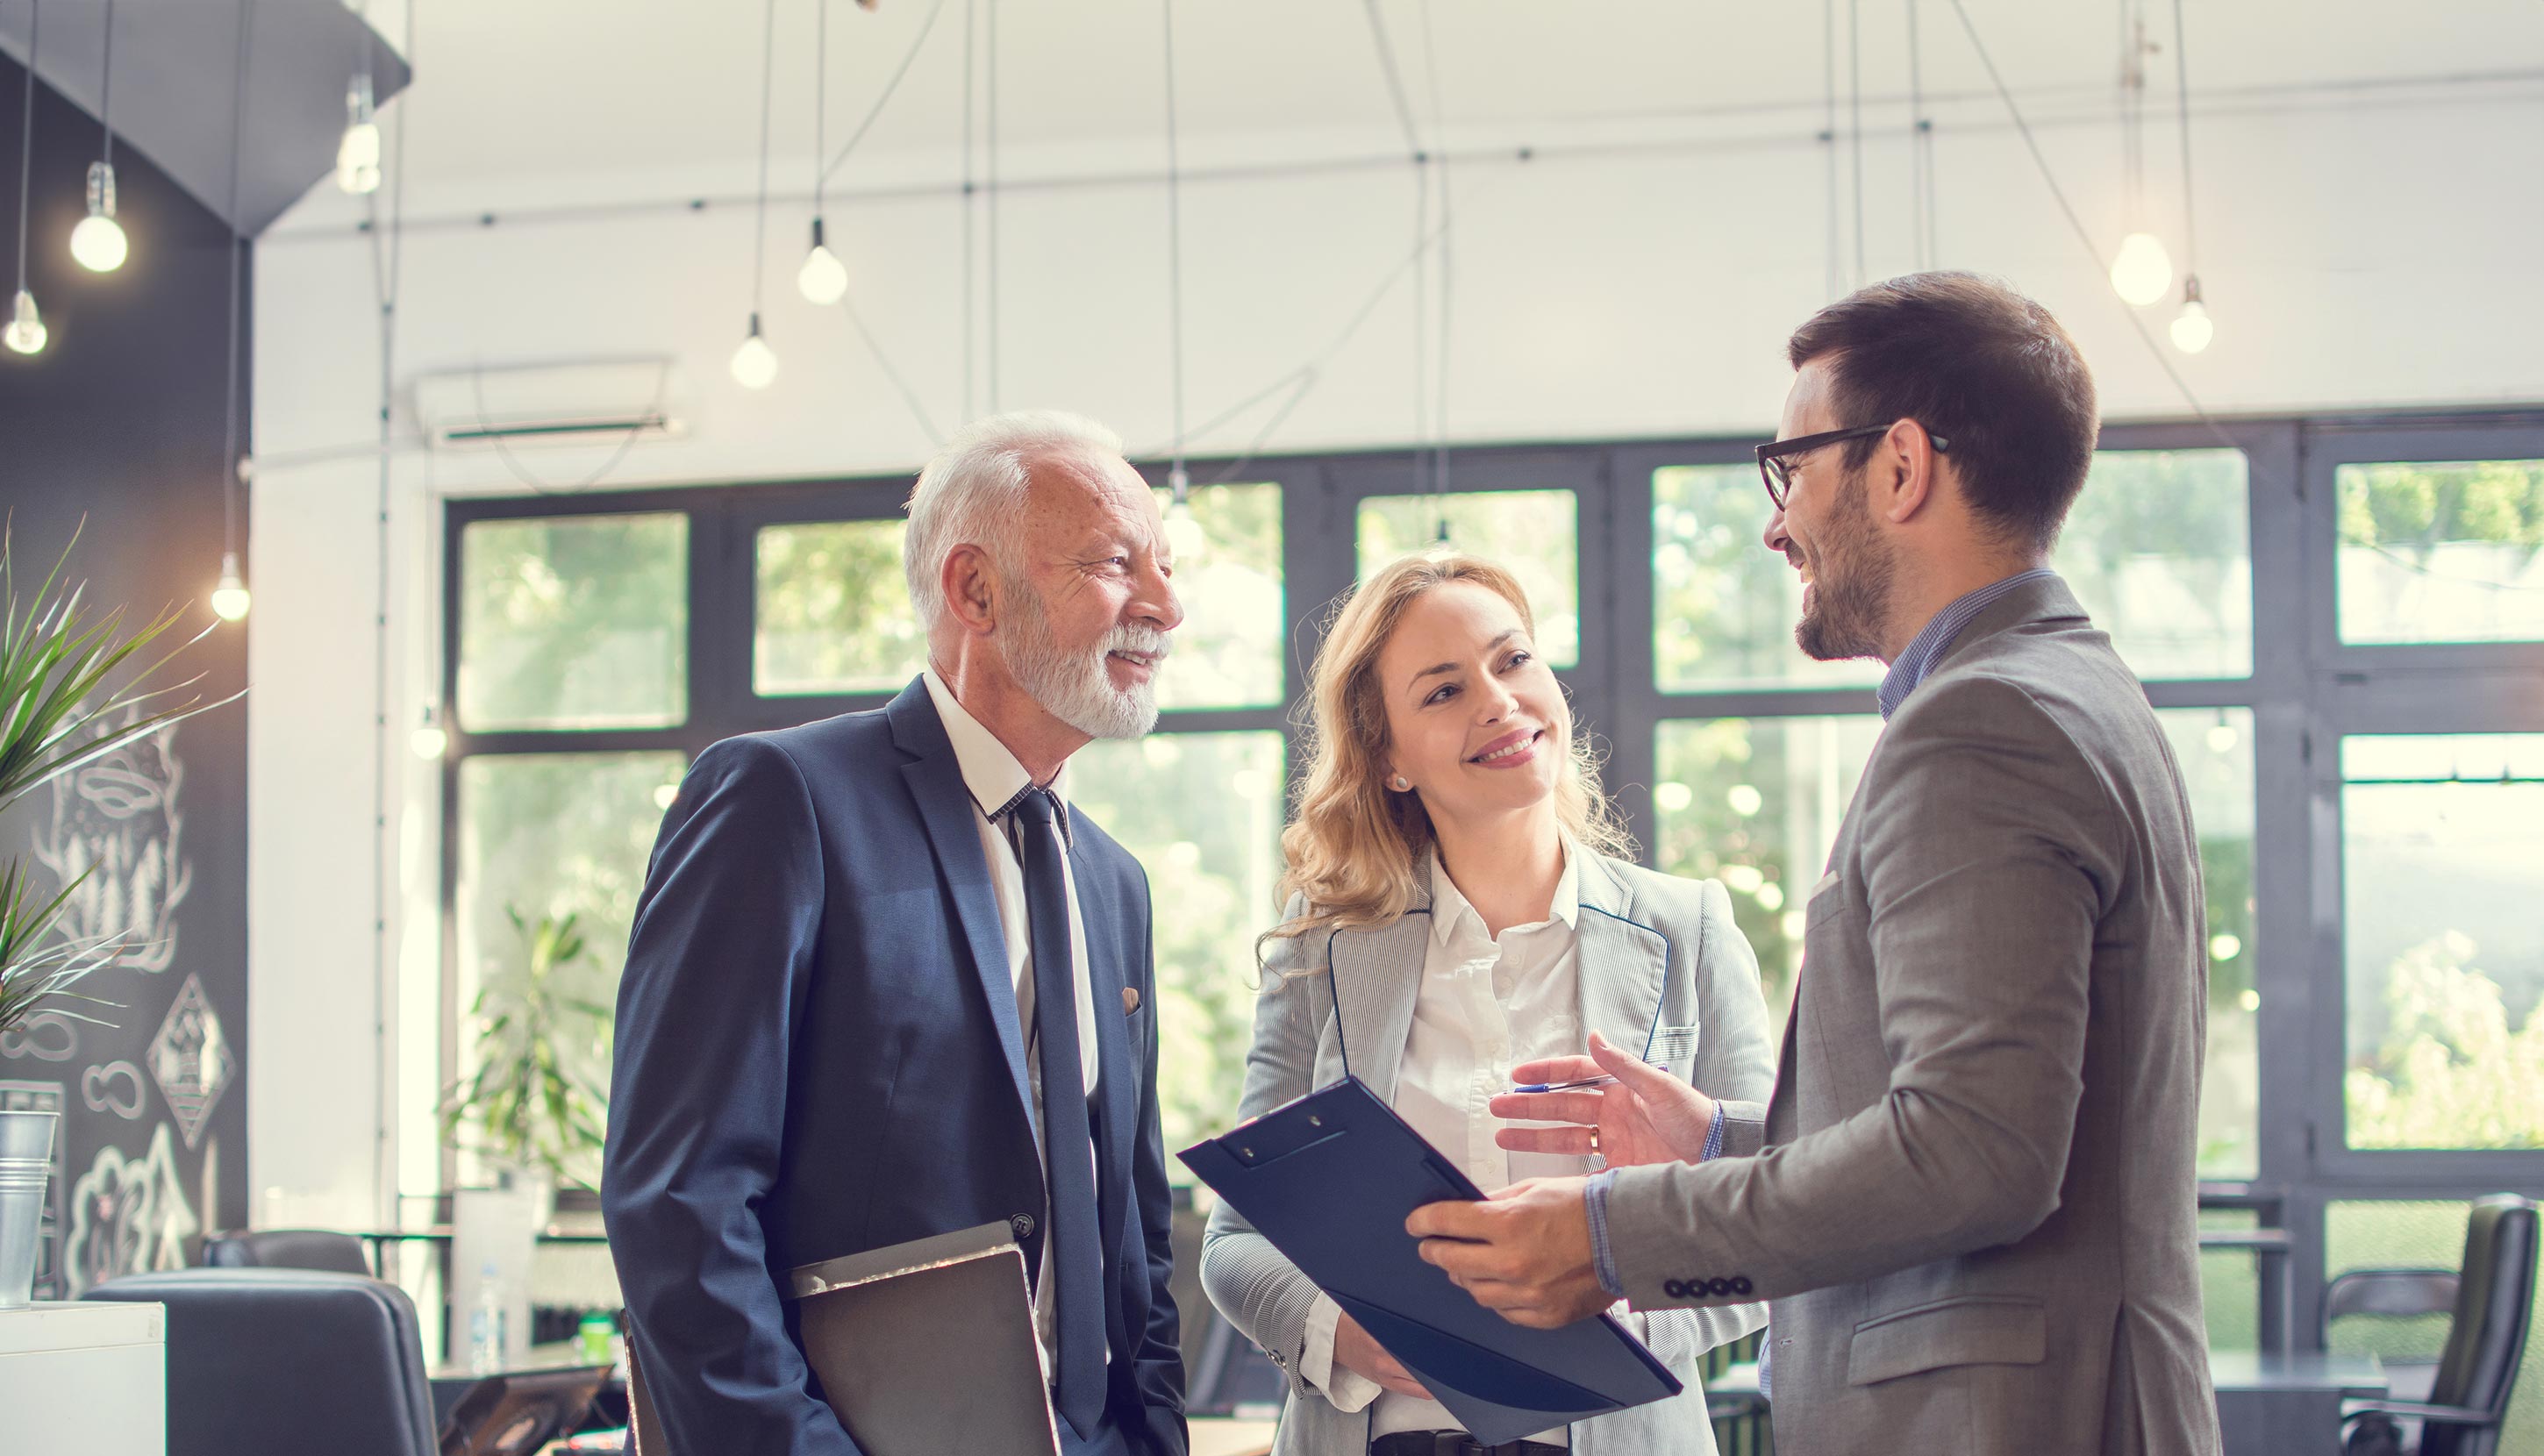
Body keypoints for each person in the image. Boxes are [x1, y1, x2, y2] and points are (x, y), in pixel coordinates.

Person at [1405, 273, 2223, 1455]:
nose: (1775, 521)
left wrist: (1609, 1235)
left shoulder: (1982, 723)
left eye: (1790, 469)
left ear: (1899, 468)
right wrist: (1721, 1142)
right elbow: (1996, 1116)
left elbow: (1977, 1155)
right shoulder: (2070, 688)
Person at [604, 410, 1190, 1456]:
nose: (1165, 605)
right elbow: (679, 1202)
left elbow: (1131, 1221)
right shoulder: (781, 799)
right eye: (1114, 563)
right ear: (975, 590)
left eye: (1164, 565)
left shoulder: (1115, 881)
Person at [1200, 551, 1775, 1456]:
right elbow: (1235, 1241)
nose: (1497, 701)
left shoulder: (1688, 927)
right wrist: (1343, 1335)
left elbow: (1776, 1212)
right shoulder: (1323, 946)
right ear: (1387, 758)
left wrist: (1611, 1305)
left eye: (1511, 661)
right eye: (1441, 691)